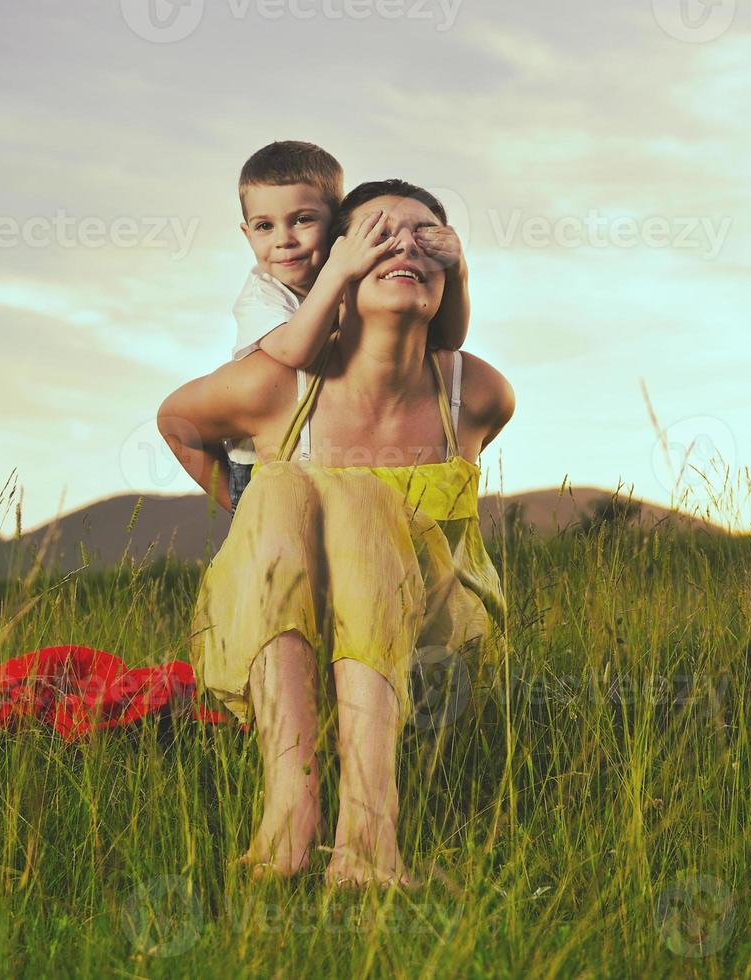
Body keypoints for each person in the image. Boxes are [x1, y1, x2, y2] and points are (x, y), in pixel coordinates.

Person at [158, 180, 514, 888]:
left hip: (432, 645)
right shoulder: (275, 386)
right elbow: (177, 421)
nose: (406, 246)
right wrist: (248, 514)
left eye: (426, 238)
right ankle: (291, 814)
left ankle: (369, 836)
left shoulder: (473, 392)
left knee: (354, 497)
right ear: (339, 269)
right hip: (282, 633)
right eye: (382, 234)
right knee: (281, 486)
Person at [221, 141, 470, 512]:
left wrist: (457, 269)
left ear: (336, 222)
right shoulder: (263, 294)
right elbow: (298, 353)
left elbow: (449, 338)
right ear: (246, 234)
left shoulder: (357, 272)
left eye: (303, 220)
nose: (284, 240)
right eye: (264, 227)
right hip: (260, 459)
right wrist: (230, 502)